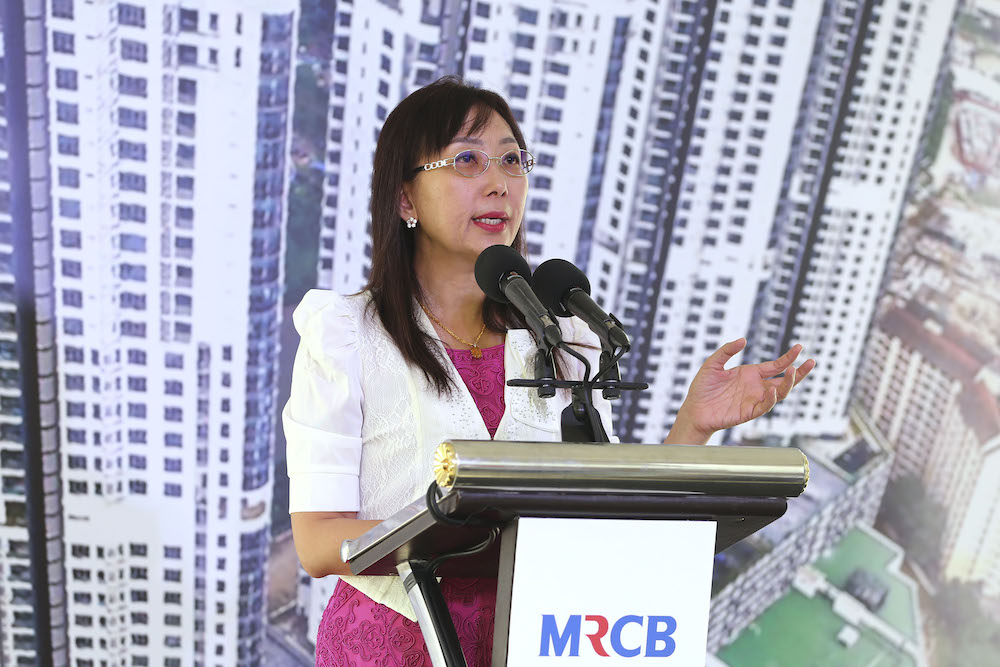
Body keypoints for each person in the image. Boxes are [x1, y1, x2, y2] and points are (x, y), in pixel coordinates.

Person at [283, 76, 814, 667]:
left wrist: (693, 425)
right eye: (467, 159)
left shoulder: (565, 339)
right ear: (405, 199)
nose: (499, 182)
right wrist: (456, 526)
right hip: (391, 646)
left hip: (539, 645)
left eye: (513, 160)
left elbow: (609, 514)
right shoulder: (348, 335)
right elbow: (317, 541)